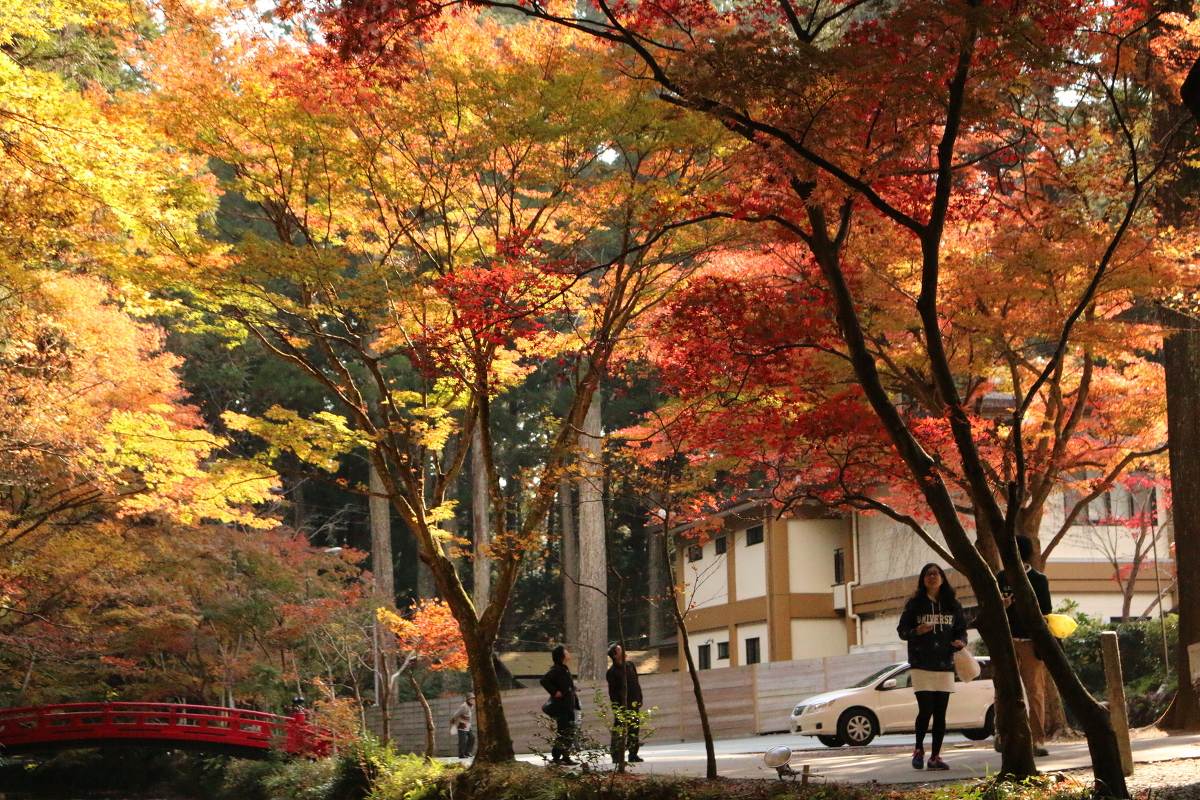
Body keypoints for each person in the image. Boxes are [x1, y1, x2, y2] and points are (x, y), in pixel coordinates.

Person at [897, 562, 967, 771]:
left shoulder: (952, 604)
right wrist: (916, 631)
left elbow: (961, 629)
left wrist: (960, 642)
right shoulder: (915, 603)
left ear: (943, 578)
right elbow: (901, 630)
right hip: (921, 663)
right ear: (922, 579)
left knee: (940, 713)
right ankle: (919, 749)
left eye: (936, 574)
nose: (932, 577)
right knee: (925, 709)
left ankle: (936, 756)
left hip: (945, 663)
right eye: (928, 574)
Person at [996, 534, 1053, 757]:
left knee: (1035, 691)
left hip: (1030, 643)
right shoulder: (1000, 577)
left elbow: (1046, 611)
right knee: (1002, 690)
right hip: (1006, 642)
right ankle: (1001, 735)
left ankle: (1038, 740)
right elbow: (992, 608)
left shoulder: (1038, 580)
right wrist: (1002, 604)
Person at [540, 644, 580, 765]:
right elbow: (544, 680)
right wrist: (554, 692)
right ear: (561, 655)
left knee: (569, 731)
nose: (568, 653)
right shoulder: (556, 669)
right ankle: (556, 756)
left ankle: (566, 756)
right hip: (561, 706)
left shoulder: (565, 669)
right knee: (563, 731)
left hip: (569, 705)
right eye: (566, 651)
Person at [606, 644, 644, 765]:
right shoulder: (612, 672)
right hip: (622, 705)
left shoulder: (630, 665)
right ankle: (616, 755)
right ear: (615, 655)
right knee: (619, 729)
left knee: (634, 728)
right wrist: (617, 707)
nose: (622, 650)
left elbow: (636, 683)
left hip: (633, 702)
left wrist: (639, 697)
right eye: (618, 650)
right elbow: (613, 692)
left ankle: (633, 754)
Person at [449, 692, 476, 759]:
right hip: (462, 724)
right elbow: (456, 714)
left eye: (473, 699)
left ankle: (468, 752)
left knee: (472, 737)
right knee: (463, 740)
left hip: (468, 724)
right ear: (467, 699)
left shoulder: (472, 706)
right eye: (471, 699)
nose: (472, 700)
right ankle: (461, 754)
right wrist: (454, 721)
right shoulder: (464, 706)